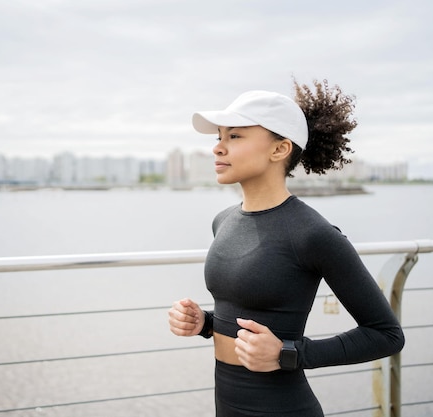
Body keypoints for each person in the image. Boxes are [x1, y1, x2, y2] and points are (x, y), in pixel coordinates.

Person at [168, 80, 405, 417]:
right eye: (218, 137)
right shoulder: (223, 221)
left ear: (279, 149)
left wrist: (288, 353)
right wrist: (204, 323)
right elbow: (246, 315)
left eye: (234, 136)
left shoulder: (313, 233)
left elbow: (386, 334)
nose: (218, 148)